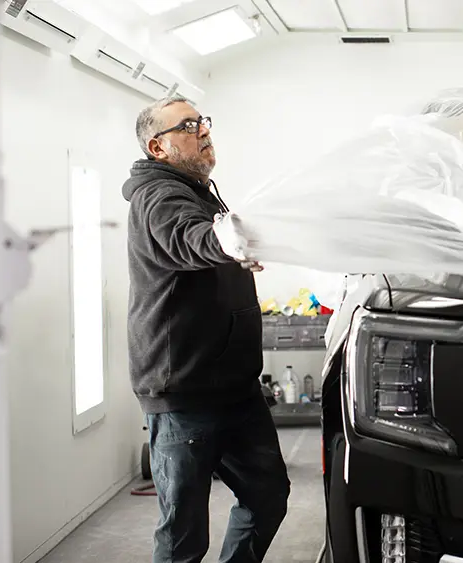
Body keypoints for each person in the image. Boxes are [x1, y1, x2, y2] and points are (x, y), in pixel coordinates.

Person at [123, 95, 290, 563]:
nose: (203, 130)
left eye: (203, 121)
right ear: (158, 147)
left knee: (267, 496)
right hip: (185, 392)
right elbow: (187, 238)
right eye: (189, 125)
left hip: (234, 386)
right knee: (183, 533)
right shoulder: (158, 196)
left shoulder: (199, 189)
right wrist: (227, 242)